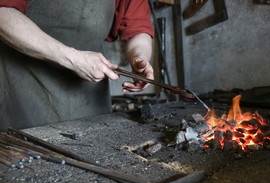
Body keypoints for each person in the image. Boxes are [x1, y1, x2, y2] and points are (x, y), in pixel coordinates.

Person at [0, 0, 154, 131]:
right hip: (24, 89)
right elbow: (3, 13)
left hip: (89, 96)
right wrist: (73, 59)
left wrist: (139, 57)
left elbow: (137, 27)